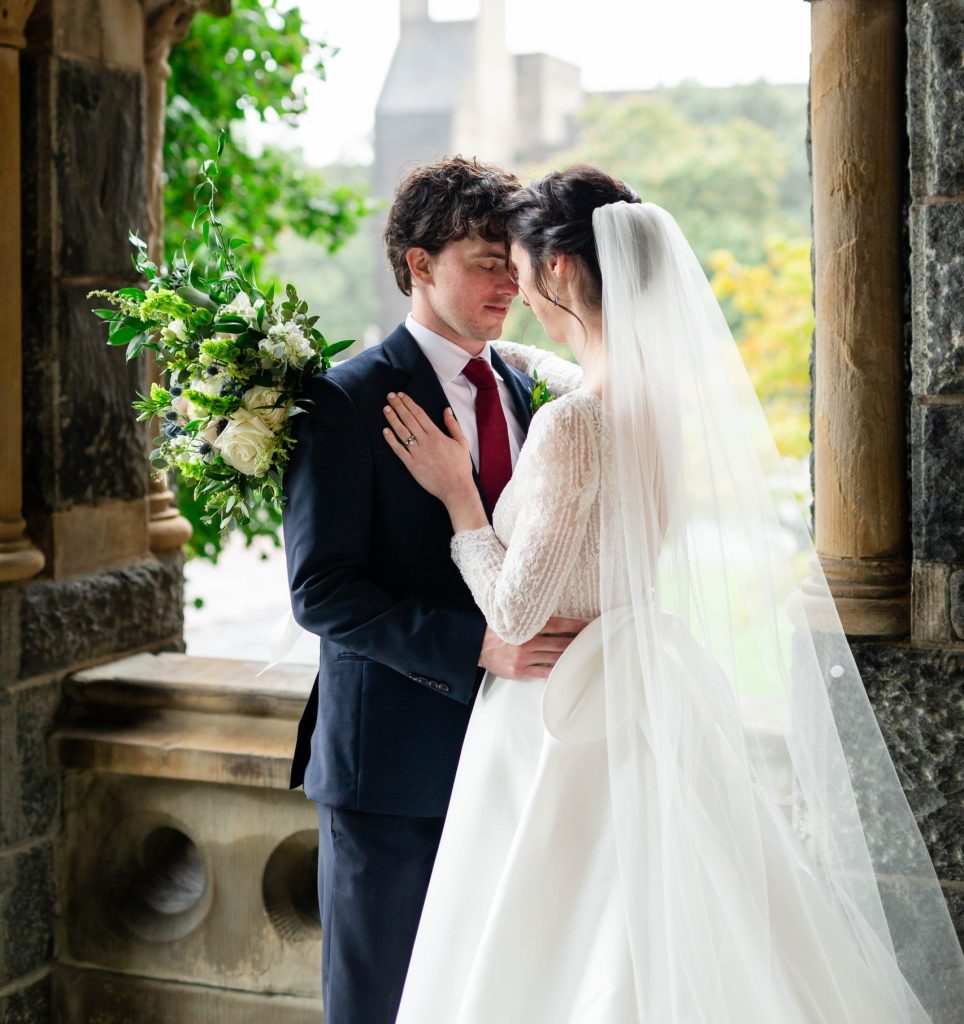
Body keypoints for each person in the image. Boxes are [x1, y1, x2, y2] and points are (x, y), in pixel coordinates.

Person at [383, 165, 964, 1023]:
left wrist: (459, 494)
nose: (518, 291)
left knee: (566, 942)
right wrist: (500, 356)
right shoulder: (651, 402)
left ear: (558, 272)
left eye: (521, 267)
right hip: (637, 682)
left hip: (558, 712)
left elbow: (511, 612)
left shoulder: (573, 421)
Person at [281, 156, 587, 1024]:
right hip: (391, 769)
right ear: (419, 264)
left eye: (512, 261)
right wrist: (478, 648)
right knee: (380, 1004)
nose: (507, 282)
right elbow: (323, 591)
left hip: (518, 755)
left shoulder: (530, 389)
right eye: (485, 260)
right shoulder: (343, 401)